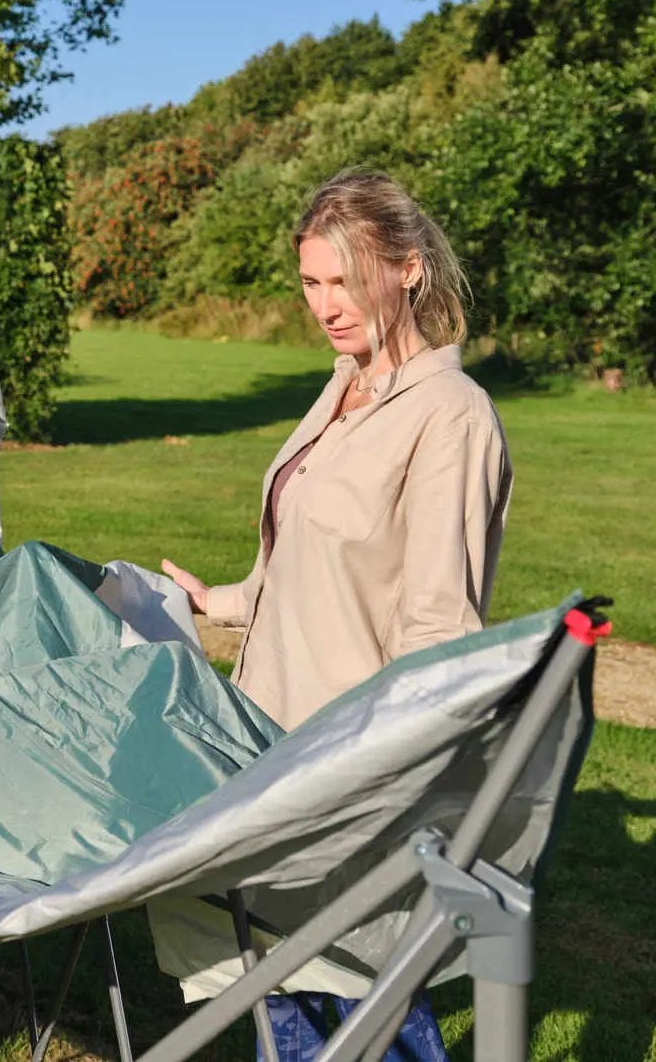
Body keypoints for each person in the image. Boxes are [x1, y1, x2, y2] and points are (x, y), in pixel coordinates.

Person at [160, 169, 512, 1062]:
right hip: (271, 740)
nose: (325, 305)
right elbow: (308, 564)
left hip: (350, 761)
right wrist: (219, 602)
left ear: (409, 270)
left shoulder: (450, 416)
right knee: (280, 988)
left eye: (345, 281)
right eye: (311, 282)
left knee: (361, 989)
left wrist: (385, 779)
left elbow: (438, 626)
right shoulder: (343, 386)